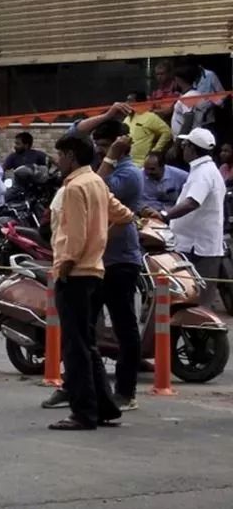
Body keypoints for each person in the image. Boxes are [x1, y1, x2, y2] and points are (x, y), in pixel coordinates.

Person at [46, 117, 144, 412]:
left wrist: (72, 259)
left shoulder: (122, 175)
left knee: (115, 330)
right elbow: (117, 208)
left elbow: (93, 210)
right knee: (84, 335)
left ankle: (118, 394)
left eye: (106, 146)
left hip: (108, 262)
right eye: (98, 146)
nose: (100, 151)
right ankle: (93, 397)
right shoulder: (91, 178)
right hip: (96, 264)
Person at [151, 128, 228, 309]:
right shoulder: (203, 170)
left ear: (192, 148)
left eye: (184, 145)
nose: (182, 149)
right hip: (194, 244)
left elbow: (192, 202)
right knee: (191, 298)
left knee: (197, 301)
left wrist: (165, 215)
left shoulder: (203, 173)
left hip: (198, 248)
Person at [123, 92, 173, 167]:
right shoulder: (127, 118)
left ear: (139, 103)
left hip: (141, 163)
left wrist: (156, 150)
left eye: (130, 100)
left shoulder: (150, 117)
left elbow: (167, 132)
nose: (127, 103)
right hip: (125, 161)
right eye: (127, 100)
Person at [170, 64, 204, 137]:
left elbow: (188, 122)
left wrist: (178, 142)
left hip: (187, 141)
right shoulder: (191, 94)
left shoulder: (189, 96)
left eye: (173, 80)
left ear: (178, 79)